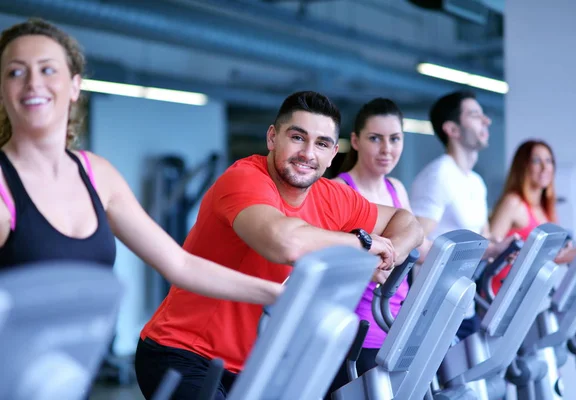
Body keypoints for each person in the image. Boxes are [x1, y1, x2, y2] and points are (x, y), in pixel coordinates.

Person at [135, 91, 425, 399]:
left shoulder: (333, 197)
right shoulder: (244, 178)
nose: (308, 153)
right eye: (298, 137)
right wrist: (363, 246)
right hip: (184, 353)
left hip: (258, 365)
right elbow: (284, 242)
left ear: (331, 155)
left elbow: (408, 223)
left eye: (322, 144)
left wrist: (387, 256)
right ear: (273, 137)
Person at [0, 19, 282, 305]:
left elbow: (179, 264)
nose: (33, 83)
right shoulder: (3, 187)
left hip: (85, 350)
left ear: (74, 86)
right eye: (15, 72)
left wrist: (276, 294)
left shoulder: (97, 174)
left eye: (47, 69)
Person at [325, 98, 431, 396]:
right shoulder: (340, 190)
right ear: (356, 141)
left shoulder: (396, 189)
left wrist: (477, 252)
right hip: (356, 335)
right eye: (376, 138)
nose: (387, 149)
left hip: (396, 329)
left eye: (394, 139)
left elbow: (420, 246)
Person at [409, 90, 516, 340]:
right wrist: (490, 249)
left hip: (465, 304)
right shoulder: (438, 176)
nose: (486, 120)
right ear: (453, 130)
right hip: (433, 310)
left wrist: (505, 247)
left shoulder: (476, 182)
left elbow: (486, 240)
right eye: (475, 114)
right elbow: (413, 246)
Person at [489, 139, 576, 294]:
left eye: (548, 161)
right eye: (536, 160)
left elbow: (546, 258)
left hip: (528, 291)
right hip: (501, 293)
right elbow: (491, 250)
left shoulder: (544, 209)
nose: (544, 167)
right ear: (523, 166)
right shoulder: (513, 203)